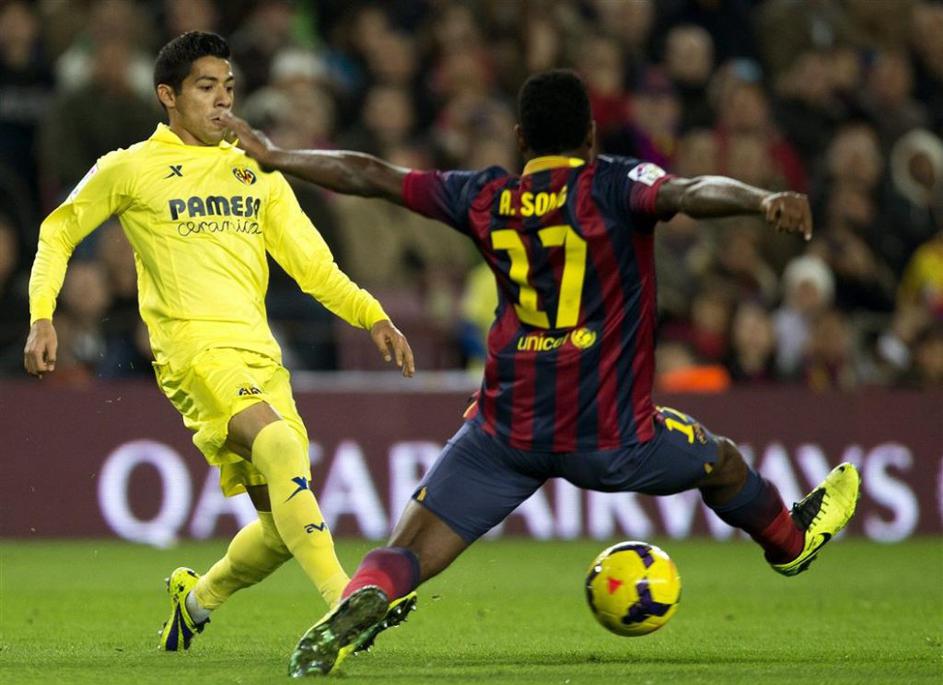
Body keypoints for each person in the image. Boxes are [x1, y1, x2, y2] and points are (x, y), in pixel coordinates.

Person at [223, 69, 861, 678]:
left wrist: (278, 156)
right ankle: (788, 542)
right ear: (591, 137)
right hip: (613, 436)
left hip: (506, 433)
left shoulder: (487, 196)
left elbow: (372, 175)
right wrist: (761, 199)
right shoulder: (616, 184)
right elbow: (690, 192)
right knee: (721, 461)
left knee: (406, 552)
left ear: (520, 140)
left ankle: (363, 597)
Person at [23, 31, 416, 665]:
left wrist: (372, 315)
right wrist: (43, 315)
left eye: (229, 88)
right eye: (206, 88)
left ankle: (197, 599)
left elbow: (314, 267)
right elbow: (58, 231)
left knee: (281, 529)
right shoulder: (131, 167)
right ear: (168, 96)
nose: (223, 100)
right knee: (281, 445)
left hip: (259, 354)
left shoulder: (255, 169)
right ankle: (346, 600)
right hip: (192, 351)